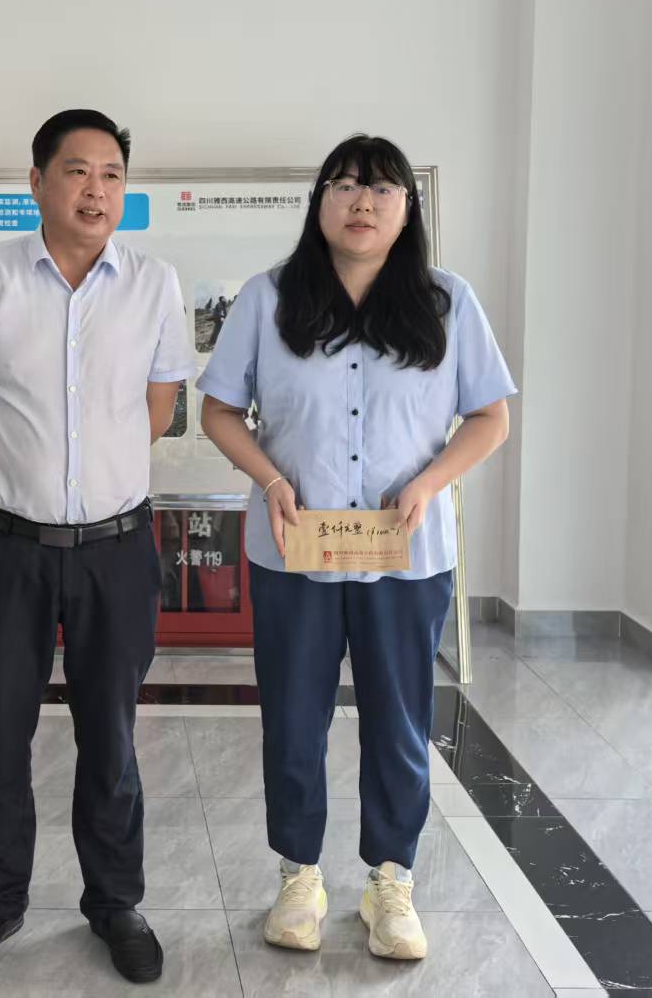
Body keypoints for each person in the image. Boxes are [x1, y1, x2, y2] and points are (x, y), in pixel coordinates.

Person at [197, 134, 513, 961]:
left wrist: (430, 482)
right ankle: (299, 875)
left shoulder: (447, 302)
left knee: (400, 719)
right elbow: (219, 410)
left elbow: (491, 417)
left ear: (408, 207)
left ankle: (390, 881)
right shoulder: (268, 298)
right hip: (293, 549)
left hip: (405, 554)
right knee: (293, 717)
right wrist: (270, 477)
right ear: (320, 203)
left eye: (381, 188)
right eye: (343, 185)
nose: (362, 201)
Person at [0, 109, 196, 984]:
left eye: (112, 173)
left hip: (115, 549)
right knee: (0, 731)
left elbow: (158, 408)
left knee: (110, 735)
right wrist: (25, 475)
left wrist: (91, 480)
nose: (96, 189)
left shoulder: (154, 283)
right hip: (8, 546)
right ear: (37, 181)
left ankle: (115, 901)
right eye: (77, 170)